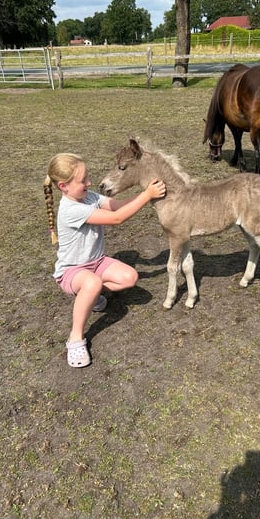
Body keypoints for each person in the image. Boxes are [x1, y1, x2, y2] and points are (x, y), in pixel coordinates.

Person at [43, 152, 166, 368]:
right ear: (63, 186)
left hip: (96, 262)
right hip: (72, 271)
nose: (89, 183)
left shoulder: (89, 196)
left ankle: (90, 295)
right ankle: (75, 338)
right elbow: (117, 219)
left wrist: (146, 194)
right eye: (83, 181)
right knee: (92, 282)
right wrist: (146, 195)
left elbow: (117, 206)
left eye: (87, 177)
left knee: (130, 277)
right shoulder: (71, 210)